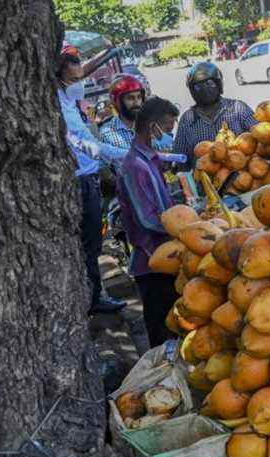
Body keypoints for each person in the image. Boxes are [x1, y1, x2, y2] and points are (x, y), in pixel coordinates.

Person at [57, 43, 128, 315]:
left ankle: (94, 295)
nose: (80, 83)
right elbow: (88, 146)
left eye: (80, 79)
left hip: (88, 176)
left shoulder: (68, 98)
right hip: (78, 182)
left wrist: (108, 53)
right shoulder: (58, 104)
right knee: (88, 245)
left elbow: (84, 68)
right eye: (74, 79)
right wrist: (130, 155)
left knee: (93, 244)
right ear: (59, 76)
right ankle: (93, 300)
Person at [116, 97, 181, 351]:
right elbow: (147, 219)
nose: (168, 134)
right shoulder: (135, 166)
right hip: (151, 262)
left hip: (164, 258)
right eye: (166, 128)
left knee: (172, 327)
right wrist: (184, 227)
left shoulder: (151, 159)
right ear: (152, 127)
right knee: (160, 332)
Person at [173, 62, 257, 169]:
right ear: (192, 91)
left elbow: (259, 136)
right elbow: (179, 158)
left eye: (209, 83)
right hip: (204, 182)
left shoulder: (238, 108)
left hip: (240, 178)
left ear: (219, 84)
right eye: (198, 87)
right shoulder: (187, 120)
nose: (205, 89)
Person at [99, 75, 146, 151]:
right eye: (130, 98)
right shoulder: (107, 134)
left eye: (139, 97)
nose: (136, 103)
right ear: (117, 102)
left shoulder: (150, 125)